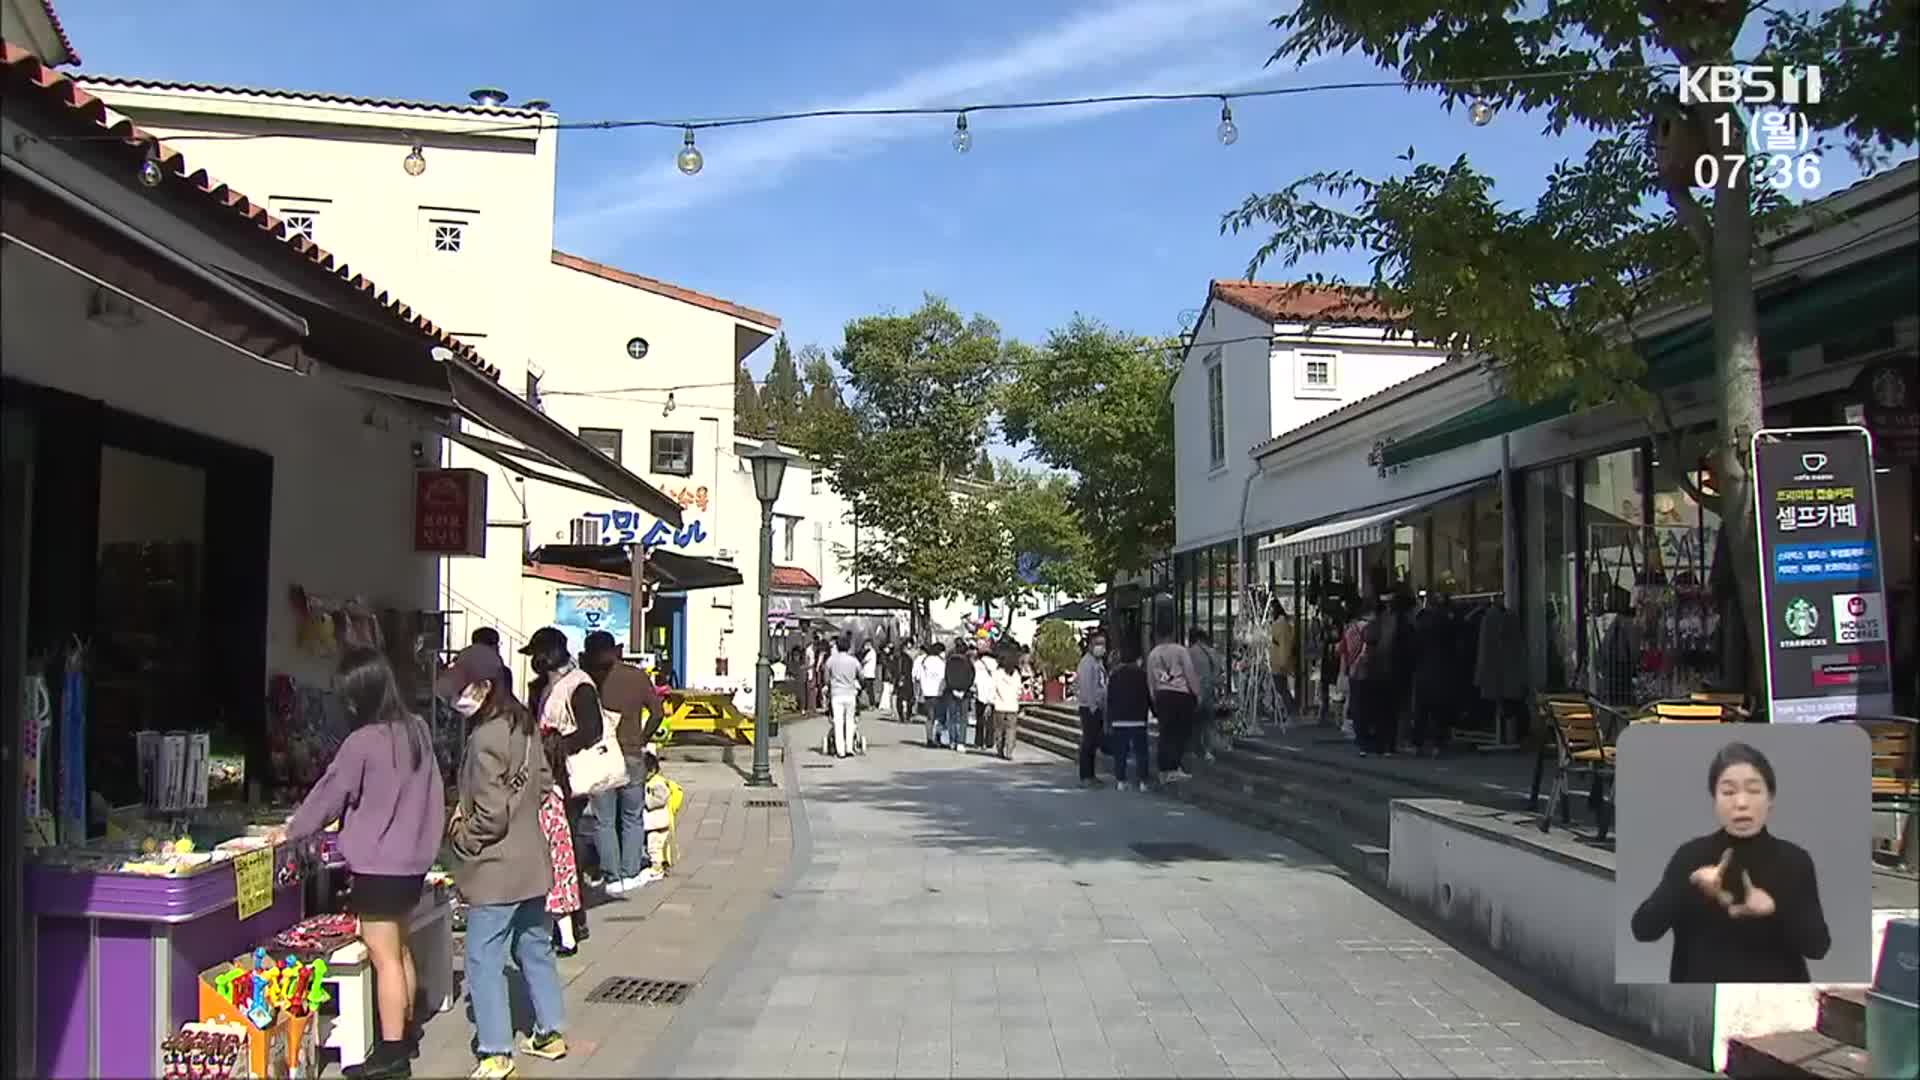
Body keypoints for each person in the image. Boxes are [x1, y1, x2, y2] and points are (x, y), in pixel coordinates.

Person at [270, 648, 442, 1079]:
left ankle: (392, 1055)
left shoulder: (362, 742)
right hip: (413, 861)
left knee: (382, 956)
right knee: (399, 948)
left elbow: (328, 795)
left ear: (359, 695)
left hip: (379, 864)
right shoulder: (416, 730)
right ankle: (405, 1030)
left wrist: (291, 830)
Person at [444, 655, 568, 1077]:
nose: (457, 697)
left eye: (462, 687)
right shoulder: (525, 725)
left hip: (495, 867)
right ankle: (549, 1032)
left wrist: (461, 835)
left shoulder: (484, 739)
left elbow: (489, 815)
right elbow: (547, 783)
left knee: (483, 956)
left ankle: (496, 1048)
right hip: (532, 859)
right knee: (535, 947)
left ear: (483, 687)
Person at [1630, 742, 1831, 983]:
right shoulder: (1691, 856)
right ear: (1714, 799)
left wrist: (1775, 910)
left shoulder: (1794, 860)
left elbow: (1818, 947)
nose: (1741, 803)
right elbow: (1643, 930)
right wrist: (1688, 884)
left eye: (1754, 790)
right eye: (1728, 792)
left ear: (1771, 798)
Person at [521, 627, 612, 955]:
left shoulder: (579, 685)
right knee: (557, 848)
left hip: (571, 778)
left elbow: (592, 731)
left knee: (565, 848)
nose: (535, 662)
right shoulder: (545, 687)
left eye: (539, 655)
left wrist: (559, 743)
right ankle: (563, 917)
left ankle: (574, 919)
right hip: (551, 776)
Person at [581, 631, 666, 895]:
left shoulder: (587, 680)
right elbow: (657, 712)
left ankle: (611, 875)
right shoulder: (635, 676)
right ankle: (630, 873)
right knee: (632, 816)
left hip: (601, 755)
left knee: (603, 820)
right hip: (631, 752)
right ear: (616, 650)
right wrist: (643, 737)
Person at [1146, 624, 1202, 782]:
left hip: (1162, 695)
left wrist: (1154, 698)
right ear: (1174, 632)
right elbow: (1190, 673)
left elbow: (1150, 679)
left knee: (1165, 732)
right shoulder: (1180, 651)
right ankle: (1173, 766)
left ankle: (1163, 769)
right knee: (1179, 733)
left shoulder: (1153, 654)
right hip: (1180, 695)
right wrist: (1196, 693)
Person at [1105, 642, 1153, 791]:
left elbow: (1110, 699)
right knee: (1141, 752)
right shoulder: (1142, 675)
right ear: (1137, 659)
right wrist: (1154, 712)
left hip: (1119, 719)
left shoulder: (1114, 676)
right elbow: (1148, 696)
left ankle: (1121, 780)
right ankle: (1143, 781)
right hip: (1138, 719)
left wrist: (1109, 719)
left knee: (1121, 752)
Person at [1074, 631, 1110, 788]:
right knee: (1089, 742)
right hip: (1090, 707)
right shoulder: (1087, 663)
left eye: (1103, 644)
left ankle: (1091, 774)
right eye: (1098, 644)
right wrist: (1092, 706)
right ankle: (1086, 776)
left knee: (1093, 742)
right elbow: (1086, 686)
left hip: (1098, 706)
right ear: (1090, 645)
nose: (1101, 647)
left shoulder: (1098, 662)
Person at [1188, 628, 1223, 763]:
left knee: (1196, 723)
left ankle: (1197, 749)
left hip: (1196, 693)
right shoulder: (1213, 652)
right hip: (1210, 692)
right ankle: (1208, 751)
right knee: (1208, 723)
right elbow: (1219, 673)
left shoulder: (1190, 652)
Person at [824, 635, 862, 757]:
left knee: (838, 722)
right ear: (848, 647)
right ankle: (849, 748)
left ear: (837, 646)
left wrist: (830, 685)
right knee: (850, 721)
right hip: (850, 693)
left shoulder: (831, 660)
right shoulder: (854, 661)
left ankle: (840, 750)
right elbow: (860, 675)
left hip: (836, 694)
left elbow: (826, 678)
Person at [641, 749, 674, 876]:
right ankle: (659, 863)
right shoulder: (650, 781)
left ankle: (657, 867)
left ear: (652, 770)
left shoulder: (657, 782)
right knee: (655, 845)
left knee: (654, 846)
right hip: (653, 822)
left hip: (657, 821)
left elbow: (661, 798)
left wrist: (646, 800)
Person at [942, 640, 976, 752]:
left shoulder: (950, 662)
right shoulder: (968, 662)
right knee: (963, 718)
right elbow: (971, 677)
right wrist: (964, 689)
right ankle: (961, 742)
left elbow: (947, 676)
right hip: (964, 693)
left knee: (952, 717)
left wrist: (953, 688)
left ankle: (952, 740)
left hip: (951, 692)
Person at [990, 647, 1024, 760]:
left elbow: (992, 688)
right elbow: (1019, 691)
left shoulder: (997, 673)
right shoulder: (1016, 675)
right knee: (1011, 729)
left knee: (999, 729)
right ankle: (1009, 751)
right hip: (1012, 706)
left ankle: (1000, 749)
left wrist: (991, 701)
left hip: (999, 706)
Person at [916, 641, 948, 747]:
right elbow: (944, 677)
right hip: (938, 692)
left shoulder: (924, 660)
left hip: (927, 692)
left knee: (930, 717)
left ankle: (929, 739)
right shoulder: (940, 662)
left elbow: (919, 676)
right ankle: (937, 737)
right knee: (939, 717)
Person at [1269, 605, 1296, 726]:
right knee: (1280, 689)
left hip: (1278, 663)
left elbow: (1284, 646)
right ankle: (1285, 713)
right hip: (1278, 662)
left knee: (1281, 689)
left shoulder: (1281, 626)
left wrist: (1283, 662)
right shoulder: (1281, 625)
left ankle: (1289, 713)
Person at [859, 637, 880, 711]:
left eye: (866, 645)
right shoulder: (869, 652)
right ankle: (867, 703)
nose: (865, 647)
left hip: (869, 674)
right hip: (867, 673)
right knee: (866, 689)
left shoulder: (871, 652)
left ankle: (872, 704)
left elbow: (864, 661)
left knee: (869, 690)